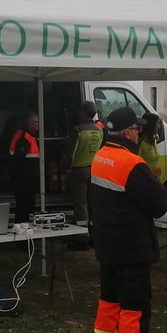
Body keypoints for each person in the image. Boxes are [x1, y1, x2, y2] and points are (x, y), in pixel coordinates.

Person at [88, 106, 167, 333]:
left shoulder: (100, 157)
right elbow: (160, 204)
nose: (140, 132)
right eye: (137, 129)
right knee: (135, 310)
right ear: (128, 133)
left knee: (108, 303)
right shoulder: (132, 164)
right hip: (132, 247)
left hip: (108, 246)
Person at [61, 101, 104, 251]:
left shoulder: (77, 130)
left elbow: (71, 154)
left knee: (81, 205)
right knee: (93, 204)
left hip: (78, 170)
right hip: (94, 169)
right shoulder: (99, 130)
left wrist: (65, 168)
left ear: (83, 112)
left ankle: (81, 238)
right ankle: (94, 236)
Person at [8, 111, 41, 224]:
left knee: (26, 209)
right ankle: (23, 238)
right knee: (24, 210)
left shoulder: (27, 136)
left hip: (27, 179)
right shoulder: (24, 138)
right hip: (24, 180)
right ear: (28, 122)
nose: (38, 125)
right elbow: (18, 160)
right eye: (35, 122)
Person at [138, 112, 164, 179]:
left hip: (155, 179)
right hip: (145, 180)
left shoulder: (153, 140)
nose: (159, 126)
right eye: (156, 123)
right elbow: (137, 165)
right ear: (151, 125)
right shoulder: (141, 143)